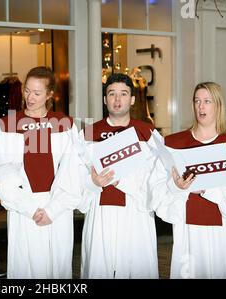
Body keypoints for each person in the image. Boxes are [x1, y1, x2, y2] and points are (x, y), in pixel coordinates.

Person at [149, 82, 226, 278]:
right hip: (189, 233)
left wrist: (205, 187)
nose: (201, 107)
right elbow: (155, 192)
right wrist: (175, 187)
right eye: (197, 101)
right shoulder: (174, 145)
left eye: (207, 101)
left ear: (218, 106)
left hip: (225, 234)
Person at [0, 66, 81, 278]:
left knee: (58, 270)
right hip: (23, 209)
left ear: (50, 94)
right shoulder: (8, 126)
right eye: (27, 91)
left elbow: (73, 172)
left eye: (37, 93)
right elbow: (4, 175)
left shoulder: (65, 125)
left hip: (58, 210)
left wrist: (53, 209)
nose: (29, 98)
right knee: (25, 270)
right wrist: (30, 208)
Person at [78, 73, 160, 278]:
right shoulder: (89, 133)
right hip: (100, 211)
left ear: (132, 99)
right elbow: (74, 174)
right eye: (111, 94)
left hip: (135, 211)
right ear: (105, 99)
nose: (117, 99)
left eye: (123, 94)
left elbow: (158, 176)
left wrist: (124, 180)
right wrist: (92, 182)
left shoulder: (147, 133)